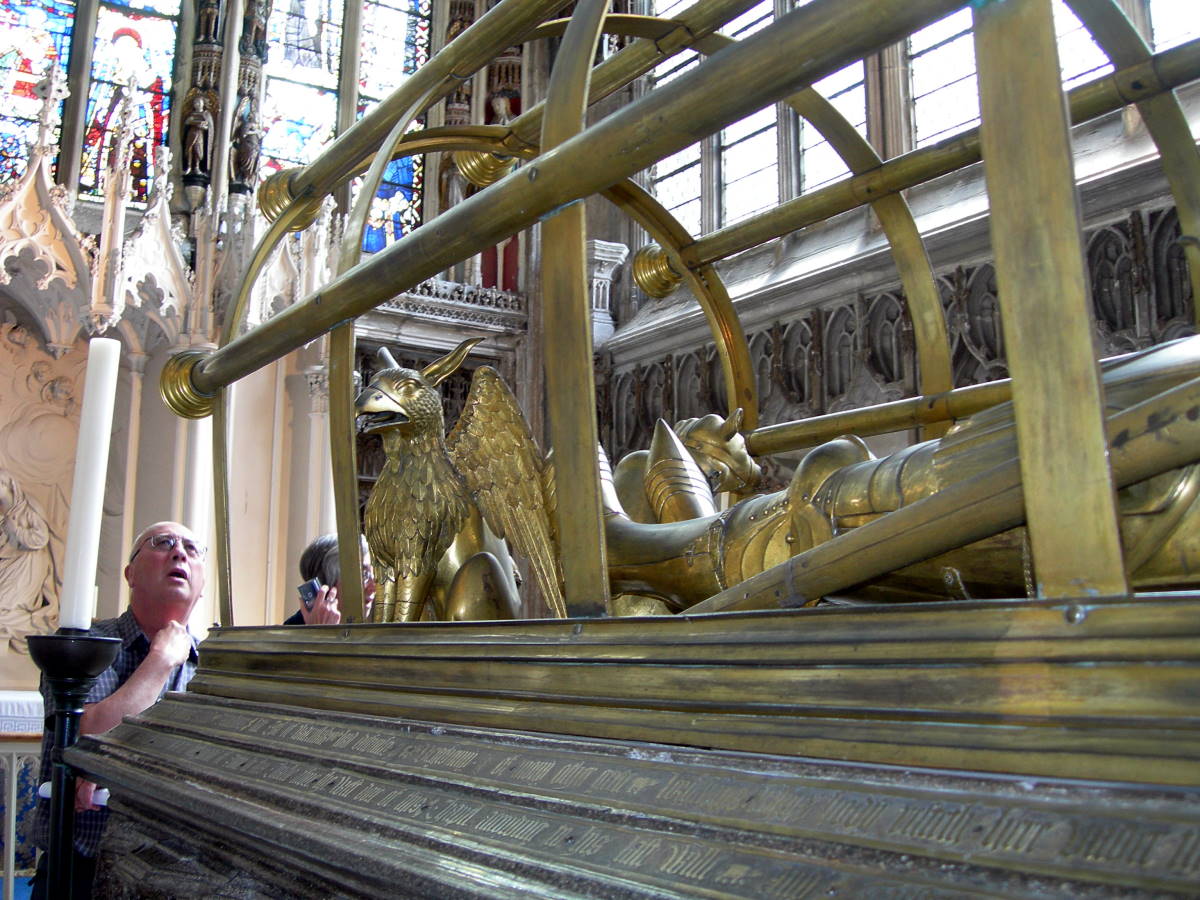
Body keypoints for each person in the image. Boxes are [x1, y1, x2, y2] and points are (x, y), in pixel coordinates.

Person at [30, 521, 205, 899]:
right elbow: (86, 736)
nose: (179, 553)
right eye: (162, 543)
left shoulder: (215, 665)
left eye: (192, 549)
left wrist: (111, 766)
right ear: (130, 573)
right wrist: (159, 661)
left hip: (181, 872)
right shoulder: (87, 646)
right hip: (79, 871)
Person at [286, 533, 376, 625]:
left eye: (373, 574)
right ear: (325, 583)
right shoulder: (288, 634)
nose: (373, 588)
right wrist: (321, 632)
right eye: (364, 575)